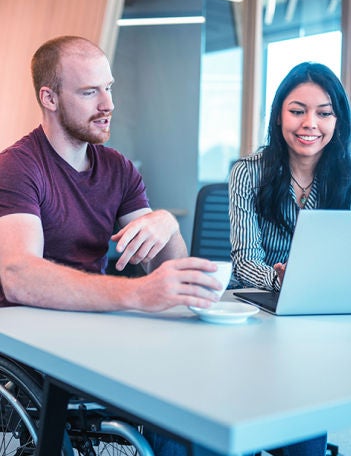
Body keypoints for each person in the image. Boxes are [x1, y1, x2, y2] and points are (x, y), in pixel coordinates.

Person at [0, 35, 222, 313]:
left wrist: (167, 224)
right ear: (50, 98)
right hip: (24, 335)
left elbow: (167, 272)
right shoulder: (16, 167)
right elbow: (18, 277)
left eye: (108, 88)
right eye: (90, 92)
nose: (108, 105)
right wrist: (137, 292)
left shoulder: (119, 168)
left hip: (91, 320)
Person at [229, 61, 351, 455]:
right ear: (279, 114)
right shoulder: (249, 172)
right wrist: (282, 278)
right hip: (256, 319)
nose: (309, 123)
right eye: (297, 110)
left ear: (338, 120)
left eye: (324, 112)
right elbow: (244, 263)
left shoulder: (347, 176)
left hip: (322, 322)